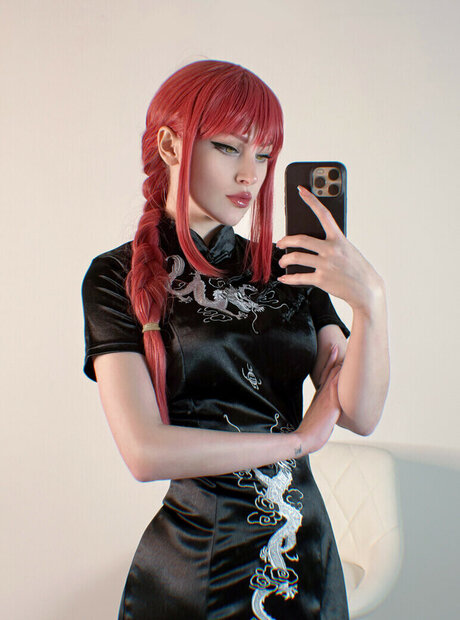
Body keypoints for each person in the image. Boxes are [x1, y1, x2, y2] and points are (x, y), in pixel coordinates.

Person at [81, 59, 389, 620]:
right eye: (229, 148)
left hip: (308, 562)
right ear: (170, 146)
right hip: (199, 567)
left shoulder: (286, 269)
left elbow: (361, 413)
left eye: (265, 155)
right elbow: (145, 452)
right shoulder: (115, 276)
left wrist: (370, 303)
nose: (251, 174)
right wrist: (297, 441)